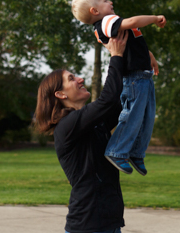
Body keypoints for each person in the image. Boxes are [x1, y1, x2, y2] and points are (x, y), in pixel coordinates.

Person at [35, 30, 129, 233]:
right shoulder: (67, 126)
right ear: (60, 94)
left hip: (110, 224)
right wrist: (115, 56)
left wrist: (135, 59)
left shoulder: (93, 123)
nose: (80, 78)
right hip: (88, 226)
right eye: (71, 78)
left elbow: (121, 99)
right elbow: (108, 99)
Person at [70, 0, 165, 175]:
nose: (110, 2)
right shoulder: (106, 22)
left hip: (143, 76)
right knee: (133, 115)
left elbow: (133, 45)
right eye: (105, 0)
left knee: (146, 117)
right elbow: (133, 22)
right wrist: (154, 18)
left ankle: (136, 152)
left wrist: (149, 56)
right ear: (94, 11)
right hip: (134, 78)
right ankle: (116, 150)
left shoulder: (111, 22)